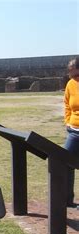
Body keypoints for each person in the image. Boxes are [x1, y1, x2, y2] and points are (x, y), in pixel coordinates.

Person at [64, 57, 79, 207]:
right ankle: (67, 199)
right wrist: (67, 121)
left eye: (77, 75)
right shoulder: (70, 84)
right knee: (63, 161)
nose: (74, 78)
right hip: (74, 131)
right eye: (72, 75)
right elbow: (67, 104)